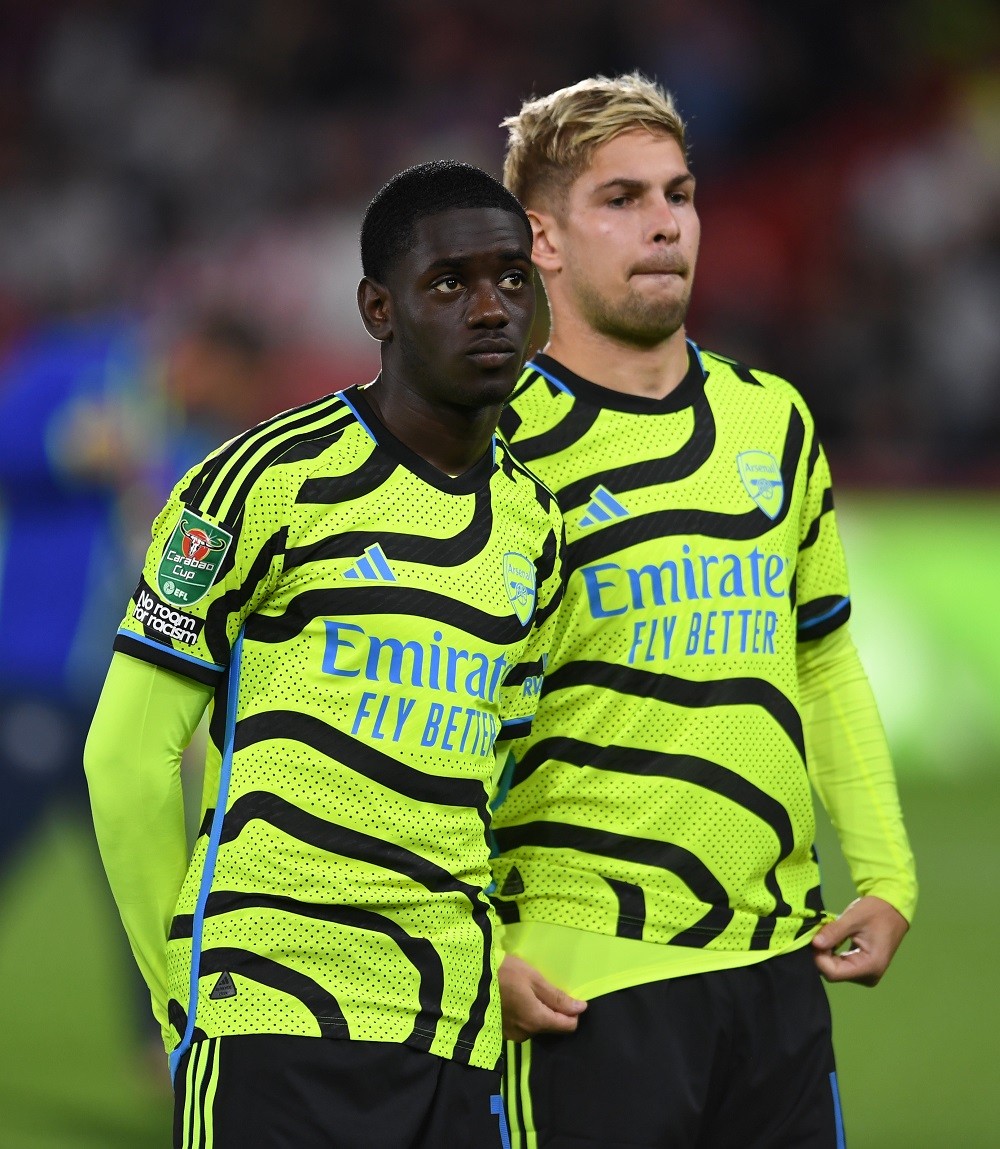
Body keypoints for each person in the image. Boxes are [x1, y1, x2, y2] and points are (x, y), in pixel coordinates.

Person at [84, 160, 564, 1149]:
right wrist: (179, 991)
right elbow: (126, 757)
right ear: (377, 309)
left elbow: (502, 783)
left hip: (455, 1035)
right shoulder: (258, 482)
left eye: (513, 280)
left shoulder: (533, 523)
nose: (490, 309)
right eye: (449, 283)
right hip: (271, 1021)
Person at [488, 74, 917, 1148]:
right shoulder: (488, 450)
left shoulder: (771, 420)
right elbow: (427, 724)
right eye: (621, 199)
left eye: (678, 194)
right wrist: (469, 941)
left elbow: (820, 659)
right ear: (542, 238)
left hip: (776, 973)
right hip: (579, 979)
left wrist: (887, 872)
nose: (665, 223)